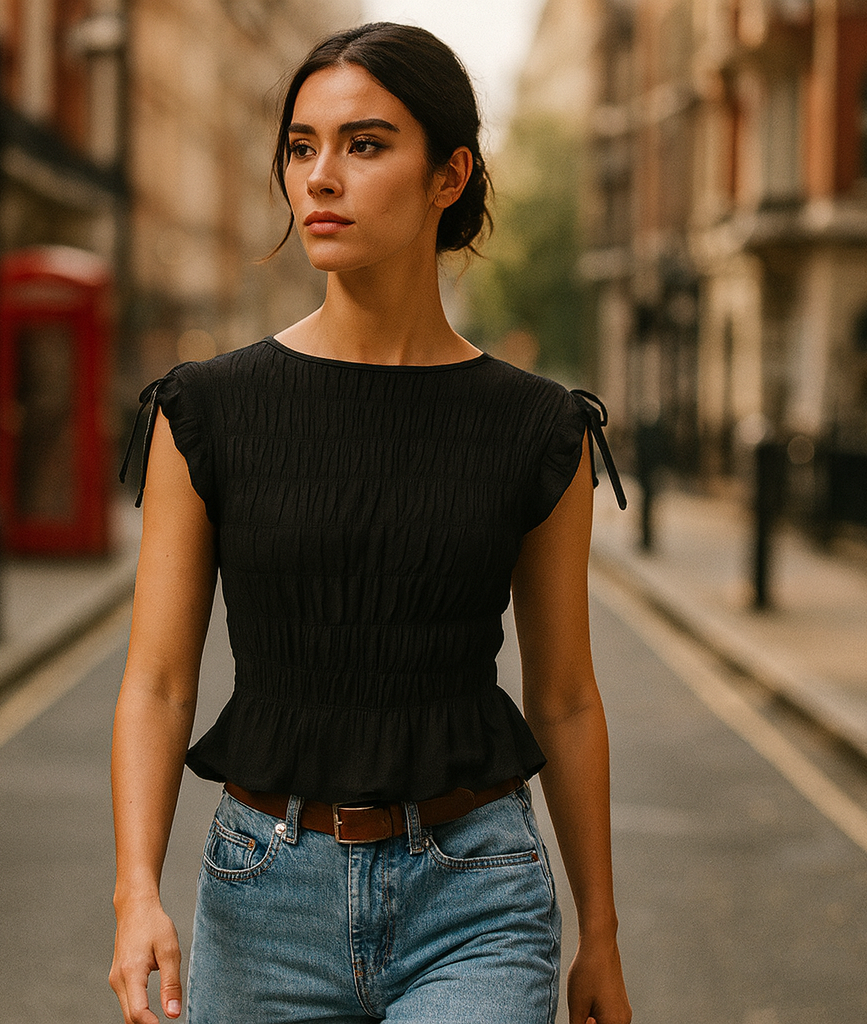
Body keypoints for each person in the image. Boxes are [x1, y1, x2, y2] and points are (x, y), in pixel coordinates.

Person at [110, 21, 632, 1024]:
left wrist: (600, 931)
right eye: (301, 146)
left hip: (477, 896)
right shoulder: (205, 410)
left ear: (449, 175)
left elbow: (563, 695)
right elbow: (160, 679)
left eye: (364, 143)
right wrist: (137, 891)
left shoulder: (537, 428)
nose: (320, 177)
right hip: (262, 897)